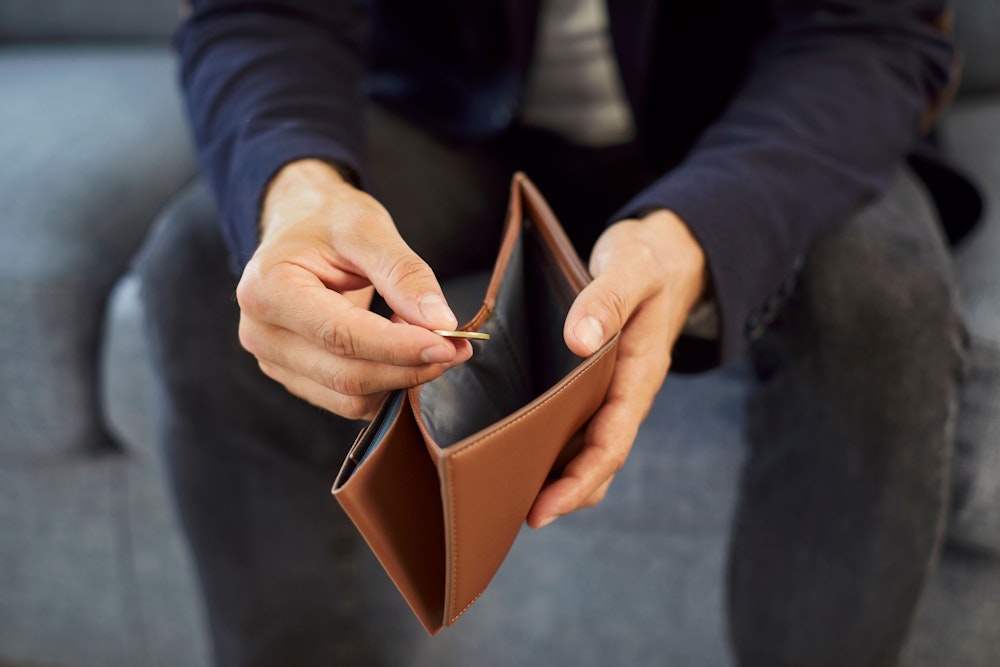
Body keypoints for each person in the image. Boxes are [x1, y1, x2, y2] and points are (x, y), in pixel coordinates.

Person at [140, 0, 978, 664]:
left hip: (759, 121)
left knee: (883, 308)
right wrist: (296, 189)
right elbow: (259, 10)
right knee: (206, 270)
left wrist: (701, 226)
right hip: (456, 117)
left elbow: (873, 33)